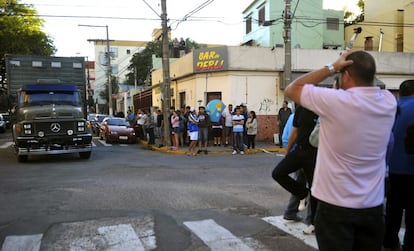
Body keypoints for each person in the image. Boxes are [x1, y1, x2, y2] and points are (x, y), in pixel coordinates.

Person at [284, 50, 397, 250]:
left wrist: (332, 67)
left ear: (346, 76)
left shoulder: (335, 101)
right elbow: (373, 88)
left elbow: (292, 89)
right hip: (373, 208)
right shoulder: (388, 101)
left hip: (335, 207)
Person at [272, 105, 318, 234]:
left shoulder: (322, 108)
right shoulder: (301, 109)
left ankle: (313, 223)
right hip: (299, 151)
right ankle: (303, 194)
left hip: (314, 154)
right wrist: (288, 152)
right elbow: (295, 131)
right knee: (278, 173)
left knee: (315, 188)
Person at [383, 80, 414, 251]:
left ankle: (389, 242)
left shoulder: (390, 108)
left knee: (393, 208)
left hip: (391, 168)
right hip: (411, 168)